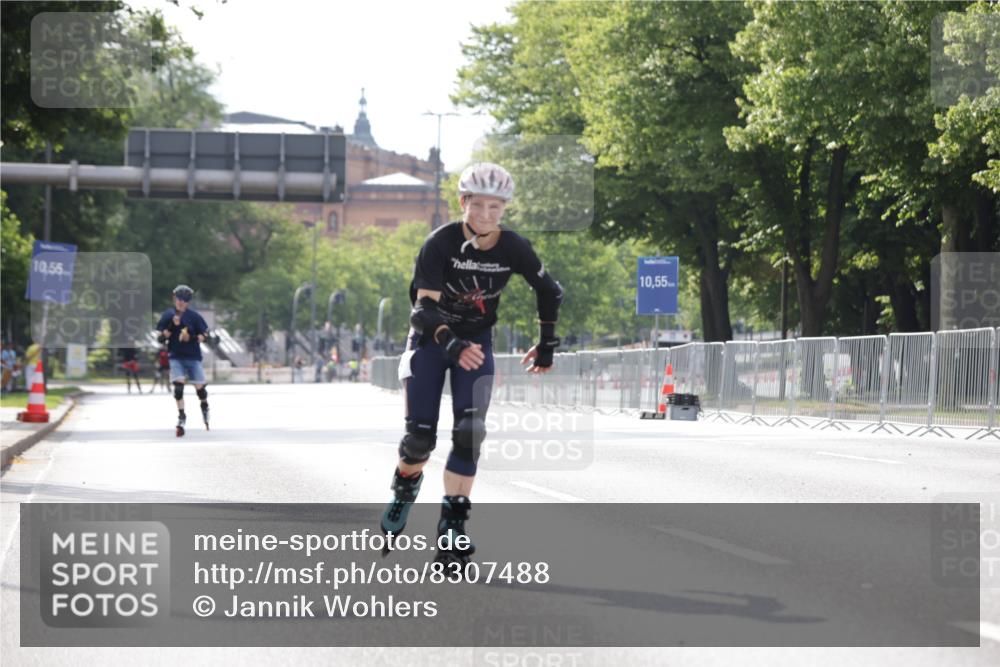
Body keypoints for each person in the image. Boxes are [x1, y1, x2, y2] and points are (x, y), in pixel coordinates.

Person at [379, 162, 563, 566]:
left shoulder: (513, 247)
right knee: (419, 441)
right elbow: (423, 311)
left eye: (495, 208)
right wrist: (452, 343)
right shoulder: (440, 243)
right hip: (432, 340)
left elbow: (549, 291)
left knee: (470, 431)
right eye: (477, 205)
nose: (485, 215)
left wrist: (547, 343)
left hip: (476, 341)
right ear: (462, 202)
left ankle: (452, 529)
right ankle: (403, 490)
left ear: (504, 209)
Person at [156, 284, 211, 436]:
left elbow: (204, 336)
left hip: (193, 357)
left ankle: (205, 408)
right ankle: (181, 417)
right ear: (174, 298)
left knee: (200, 391)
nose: (182, 302)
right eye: (179, 299)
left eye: (185, 300)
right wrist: (171, 327)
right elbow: (160, 338)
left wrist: (191, 337)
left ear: (189, 302)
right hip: (176, 356)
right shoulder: (168, 315)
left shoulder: (194, 317)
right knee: (178, 389)